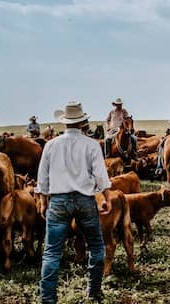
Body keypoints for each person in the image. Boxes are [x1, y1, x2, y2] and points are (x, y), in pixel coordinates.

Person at [35, 101, 111, 303]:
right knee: (96, 247)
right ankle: (94, 291)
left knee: (51, 253)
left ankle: (48, 299)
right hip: (85, 200)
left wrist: (43, 202)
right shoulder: (92, 145)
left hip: (59, 201)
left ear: (65, 123)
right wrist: (107, 198)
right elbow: (101, 177)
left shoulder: (51, 145)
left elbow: (42, 178)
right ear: (83, 122)